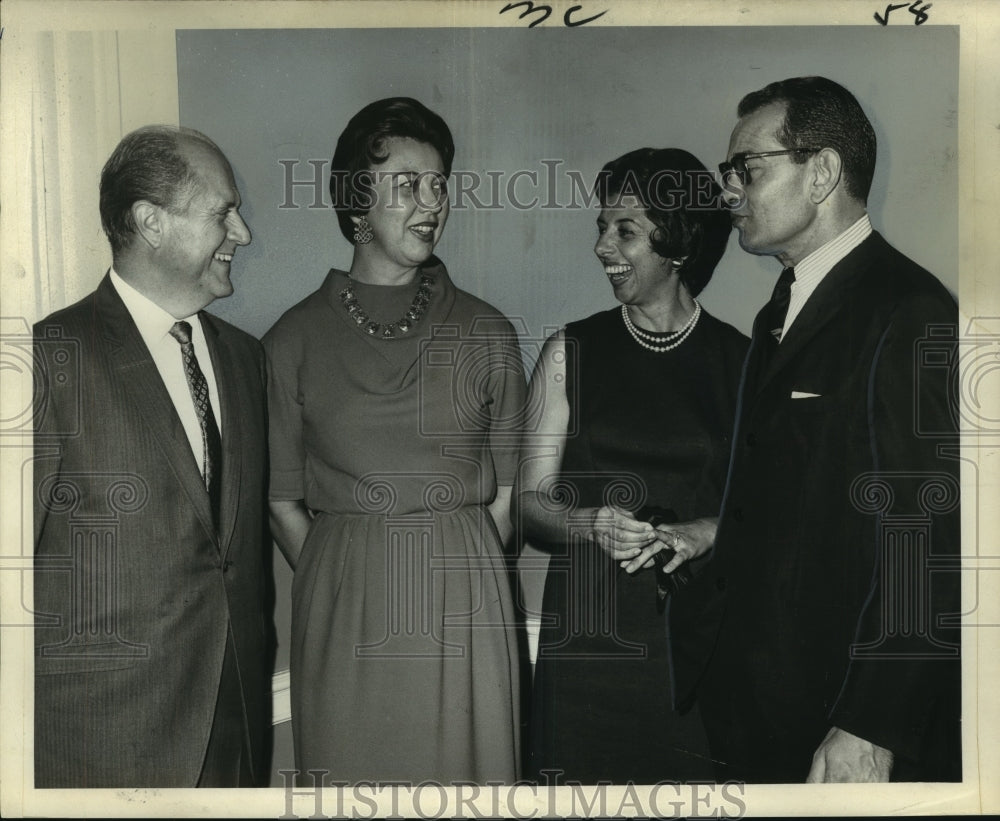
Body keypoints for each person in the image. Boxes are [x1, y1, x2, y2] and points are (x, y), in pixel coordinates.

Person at [648, 76, 961, 783]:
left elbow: (928, 537)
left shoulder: (908, 309)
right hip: (759, 704)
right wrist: (717, 529)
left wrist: (869, 725)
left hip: (836, 718)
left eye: (747, 169)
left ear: (821, 172)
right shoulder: (779, 311)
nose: (728, 190)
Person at [264, 97, 525, 784]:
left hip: (465, 597)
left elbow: (511, 494)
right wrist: (352, 564)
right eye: (407, 183)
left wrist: (455, 563)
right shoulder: (290, 341)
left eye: (439, 183)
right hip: (346, 605)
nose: (431, 202)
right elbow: (281, 500)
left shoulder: (488, 331)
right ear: (356, 203)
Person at [33, 125, 270, 787]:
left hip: (236, 729)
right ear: (151, 223)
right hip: (105, 744)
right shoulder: (51, 359)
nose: (243, 234)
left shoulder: (246, 359)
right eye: (223, 213)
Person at [518, 148, 748, 784]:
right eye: (601, 226)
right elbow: (529, 506)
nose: (601, 247)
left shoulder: (743, 364)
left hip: (695, 652)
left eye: (624, 230)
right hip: (588, 650)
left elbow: (768, 513)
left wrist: (706, 530)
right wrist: (591, 521)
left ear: (676, 243)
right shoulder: (568, 350)